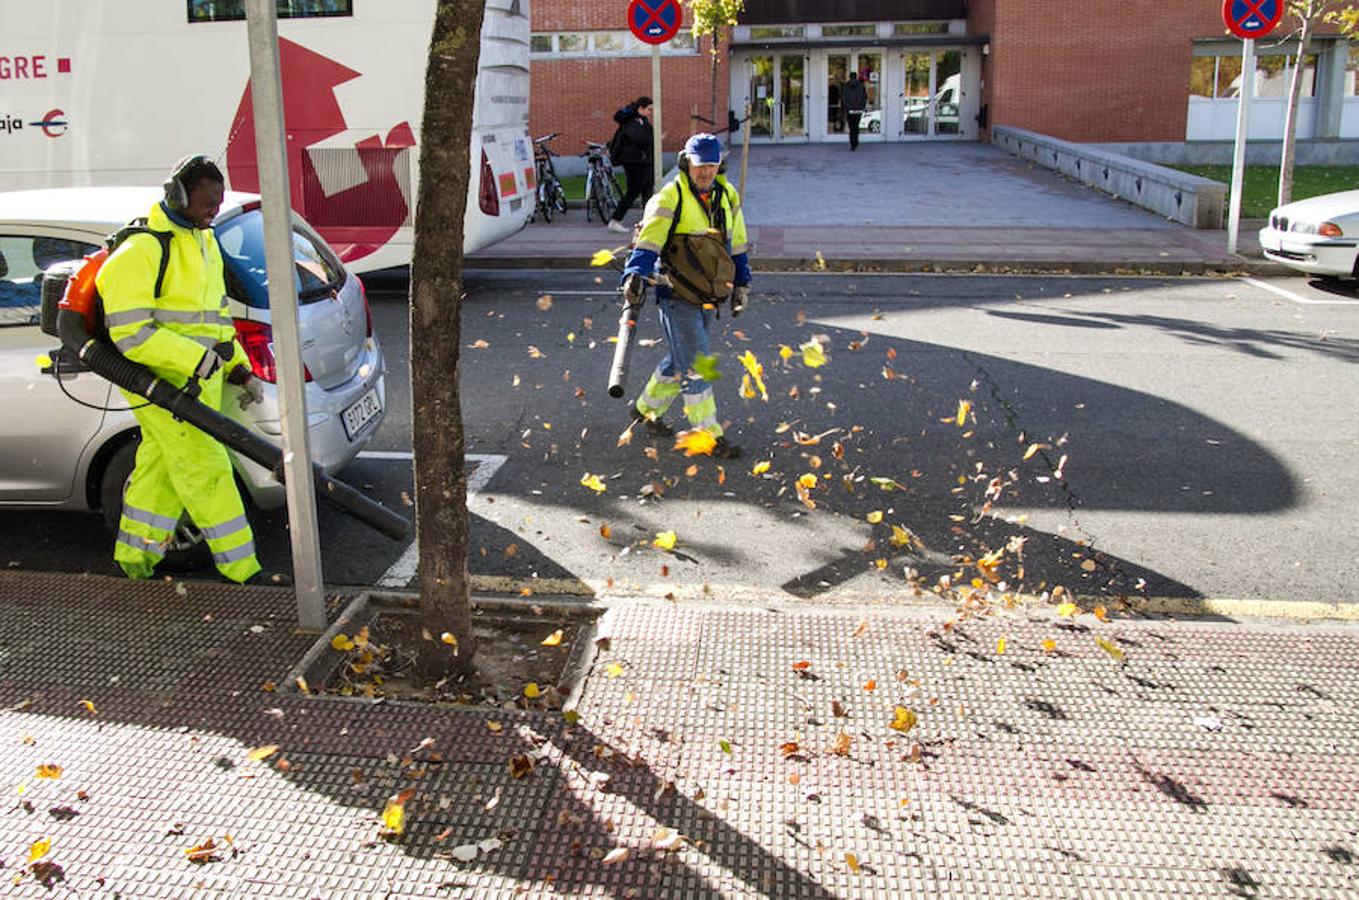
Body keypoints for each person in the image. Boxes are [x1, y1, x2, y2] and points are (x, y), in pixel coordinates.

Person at [96, 155, 264, 584]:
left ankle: (134, 560)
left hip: (195, 381)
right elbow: (130, 334)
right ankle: (244, 572)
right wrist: (196, 360)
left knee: (160, 467)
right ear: (177, 196)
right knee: (207, 468)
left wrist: (237, 368)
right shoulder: (142, 250)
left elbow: (215, 318)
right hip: (160, 383)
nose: (213, 212)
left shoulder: (201, 240)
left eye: (217, 203)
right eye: (206, 203)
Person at [620, 133, 752, 459]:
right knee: (697, 364)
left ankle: (645, 411)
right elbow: (648, 242)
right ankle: (708, 434)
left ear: (719, 164)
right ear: (686, 163)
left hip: (709, 293)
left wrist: (741, 284)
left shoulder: (727, 194)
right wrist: (634, 275)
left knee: (681, 358)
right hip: (676, 293)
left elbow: (737, 243)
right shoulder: (670, 197)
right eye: (699, 166)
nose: (705, 172)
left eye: (711, 165)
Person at [606, 96, 655, 234]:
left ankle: (648, 221)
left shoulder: (640, 121)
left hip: (643, 161)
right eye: (649, 109)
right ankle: (615, 220)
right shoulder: (633, 122)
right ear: (641, 108)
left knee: (647, 190)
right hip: (635, 162)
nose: (650, 112)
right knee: (633, 191)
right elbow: (640, 139)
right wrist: (656, 138)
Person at [842, 71, 868, 150]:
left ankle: (853, 143)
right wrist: (861, 107)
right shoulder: (861, 86)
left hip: (850, 110)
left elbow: (844, 98)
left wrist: (847, 107)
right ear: (856, 77)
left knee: (851, 127)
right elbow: (864, 97)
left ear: (850, 77)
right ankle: (855, 142)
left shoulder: (846, 86)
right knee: (856, 126)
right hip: (858, 110)